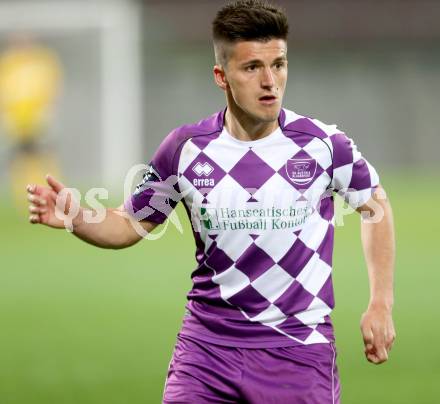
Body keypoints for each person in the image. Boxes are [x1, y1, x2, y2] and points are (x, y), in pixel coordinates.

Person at [26, 1, 396, 403]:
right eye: (252, 67)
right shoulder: (184, 149)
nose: (270, 81)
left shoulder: (324, 146)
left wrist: (380, 302)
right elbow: (129, 224)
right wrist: (76, 217)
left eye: (279, 64)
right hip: (206, 351)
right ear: (222, 76)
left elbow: (375, 207)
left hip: (297, 350)